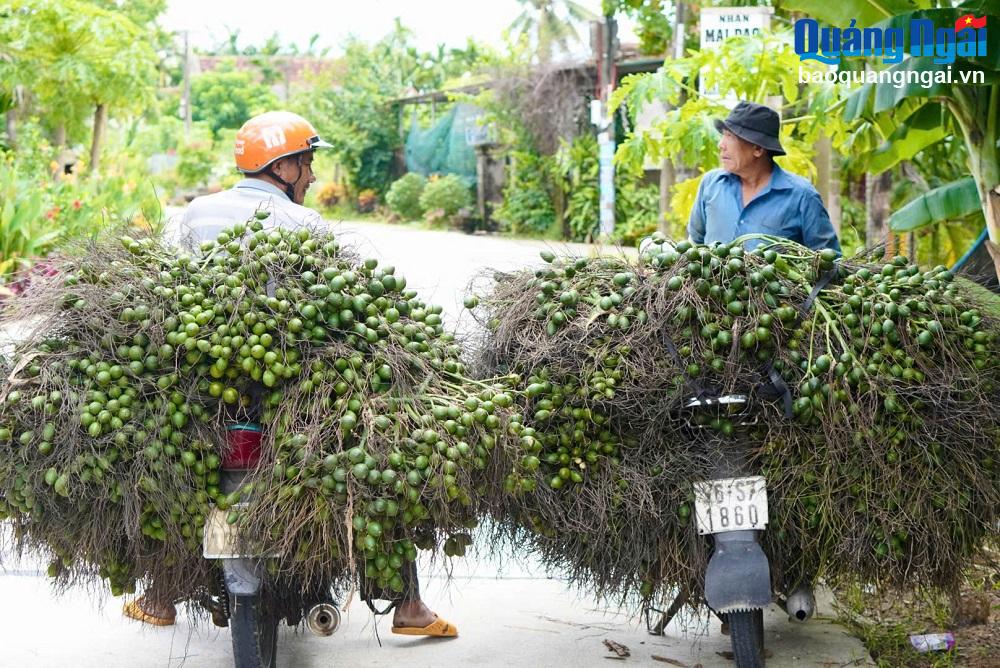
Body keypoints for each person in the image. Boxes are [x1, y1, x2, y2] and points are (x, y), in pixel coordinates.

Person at [124, 110, 457, 638]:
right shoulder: (306, 225)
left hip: (203, 389)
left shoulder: (196, 212)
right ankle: (409, 606)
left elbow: (174, 292)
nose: (313, 175)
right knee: (387, 446)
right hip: (292, 390)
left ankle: (161, 595)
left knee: (171, 468)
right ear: (283, 165)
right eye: (308, 163)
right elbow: (329, 311)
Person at [688, 101, 841, 253]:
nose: (721, 144)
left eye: (730, 136)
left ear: (758, 149)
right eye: (723, 135)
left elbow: (828, 262)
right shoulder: (711, 184)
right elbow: (695, 242)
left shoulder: (802, 196)